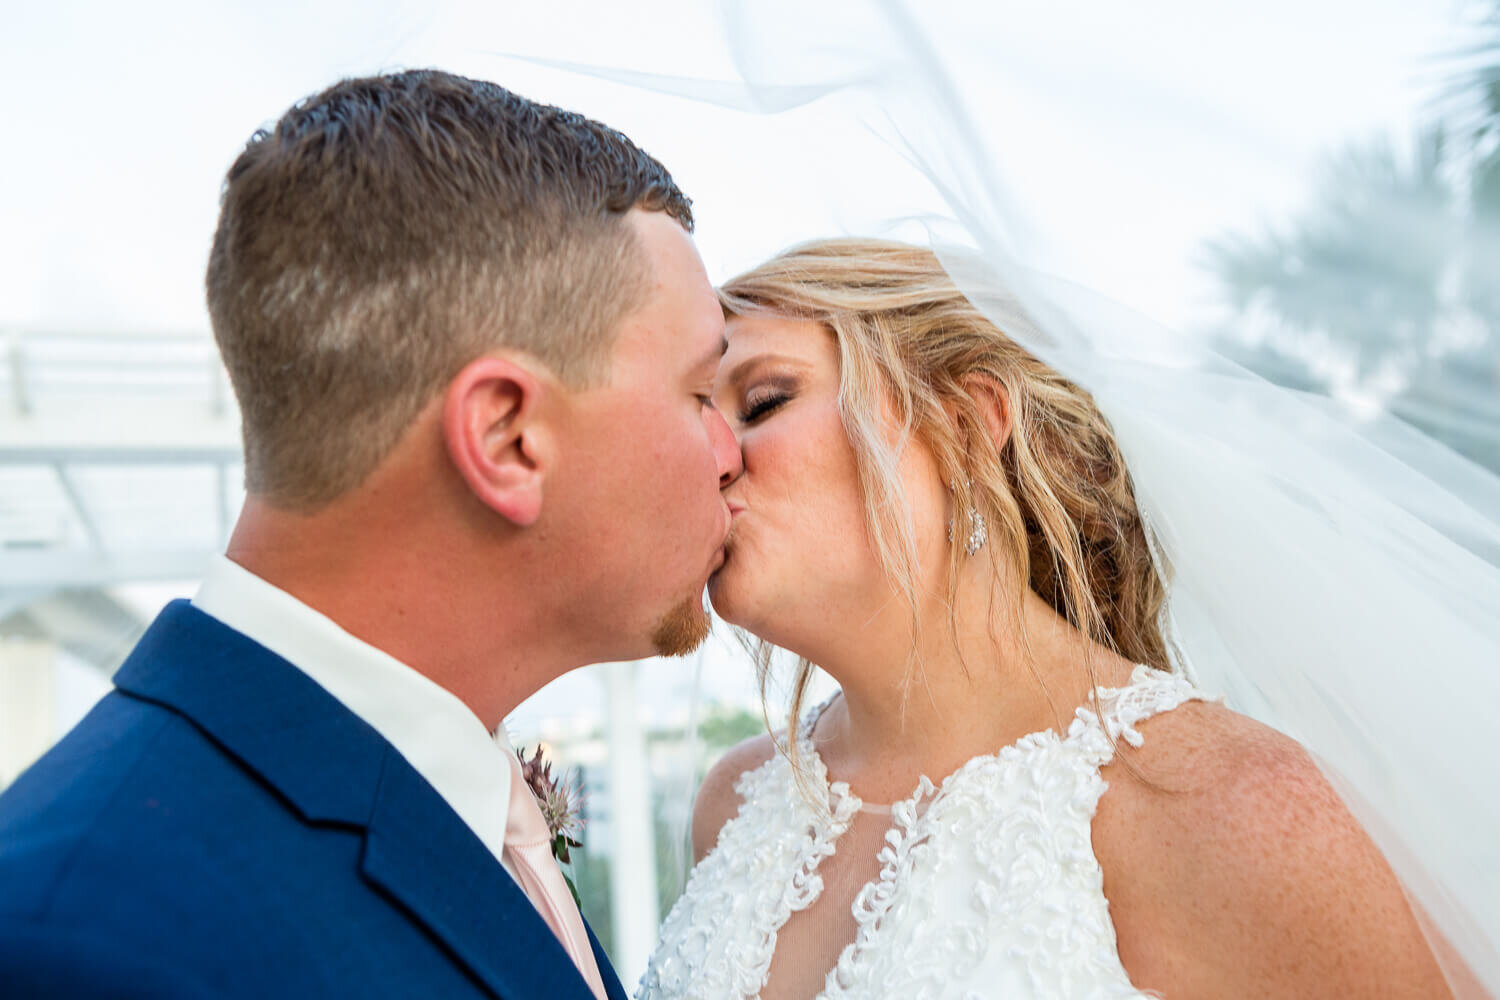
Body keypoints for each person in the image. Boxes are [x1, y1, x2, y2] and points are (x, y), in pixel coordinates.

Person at [0, 69, 740, 998]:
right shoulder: (70, 945)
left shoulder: (470, 802)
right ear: (508, 438)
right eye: (702, 394)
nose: (730, 453)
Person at [637, 238, 1461, 999]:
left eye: (764, 401)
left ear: (963, 427)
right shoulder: (737, 804)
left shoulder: (1238, 812)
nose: (713, 458)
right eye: (697, 418)